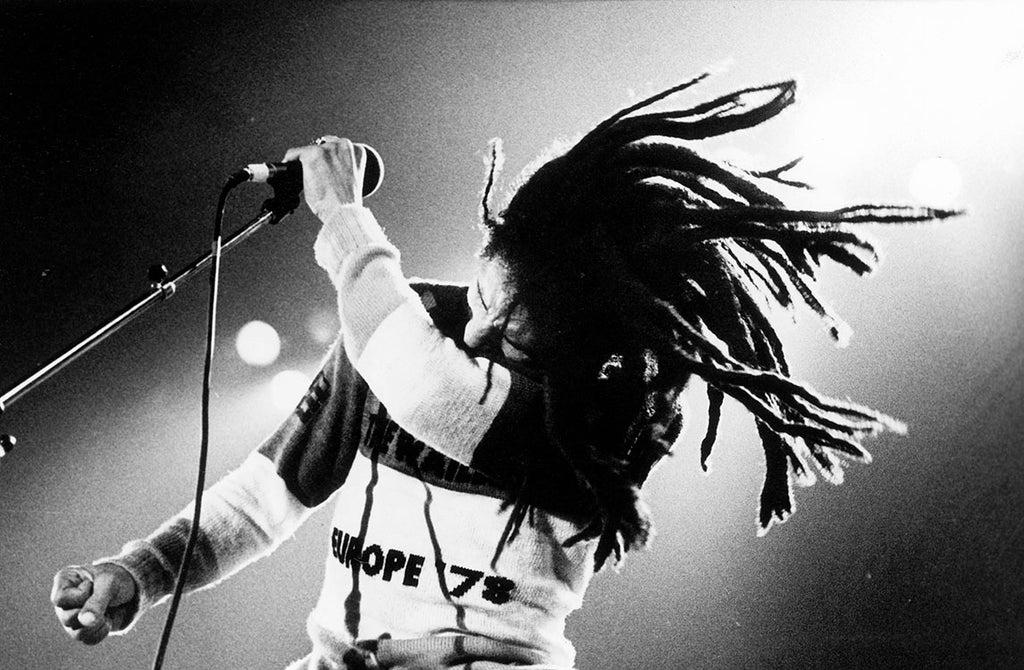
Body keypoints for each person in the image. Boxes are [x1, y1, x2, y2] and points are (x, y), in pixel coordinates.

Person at [50, 73, 958, 669]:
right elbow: (264, 499)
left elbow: (429, 389)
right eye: (481, 291)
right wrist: (143, 570)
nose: (473, 325)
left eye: (505, 324)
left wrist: (345, 219)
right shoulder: (420, 326)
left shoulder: (601, 414)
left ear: (570, 339)